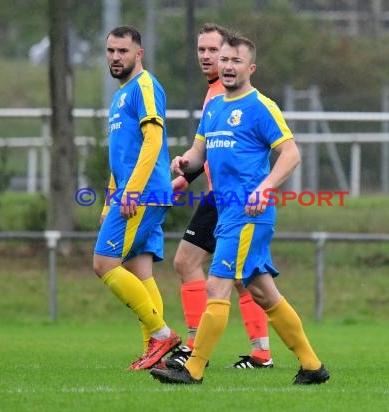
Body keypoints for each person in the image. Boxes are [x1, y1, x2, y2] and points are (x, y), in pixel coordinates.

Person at [150, 33, 330, 385]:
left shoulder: (260, 106)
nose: (227, 66)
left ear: (251, 67)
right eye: (224, 59)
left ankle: (194, 368)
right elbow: (199, 155)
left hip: (249, 213)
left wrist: (265, 187)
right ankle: (312, 366)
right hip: (225, 210)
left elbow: (291, 154)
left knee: (217, 287)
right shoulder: (215, 107)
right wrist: (184, 163)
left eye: (235, 61)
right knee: (263, 293)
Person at [163, 23, 275, 370]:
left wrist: (190, 174)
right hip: (220, 196)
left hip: (229, 200)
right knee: (246, 279)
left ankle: (195, 347)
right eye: (203, 51)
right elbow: (208, 149)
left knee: (187, 262)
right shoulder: (215, 95)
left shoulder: (227, 95)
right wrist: (186, 172)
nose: (208, 57)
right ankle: (261, 352)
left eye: (215, 51)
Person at [94, 25, 180, 371]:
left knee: (104, 264)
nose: (116, 57)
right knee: (138, 267)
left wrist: (130, 192)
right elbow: (122, 157)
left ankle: (161, 334)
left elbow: (152, 141)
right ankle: (155, 353)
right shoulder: (120, 95)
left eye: (123, 51)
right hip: (133, 192)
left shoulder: (144, 86)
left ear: (138, 54)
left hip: (141, 193)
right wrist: (108, 201)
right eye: (111, 51)